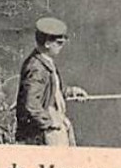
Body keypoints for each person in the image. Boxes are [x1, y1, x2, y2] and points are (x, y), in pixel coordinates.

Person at [15, 17, 88, 146]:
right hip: (44, 133)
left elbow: (51, 90)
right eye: (59, 43)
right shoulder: (36, 68)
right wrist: (50, 122)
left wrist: (71, 92)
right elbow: (31, 104)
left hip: (53, 125)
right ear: (47, 43)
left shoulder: (46, 62)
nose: (62, 47)